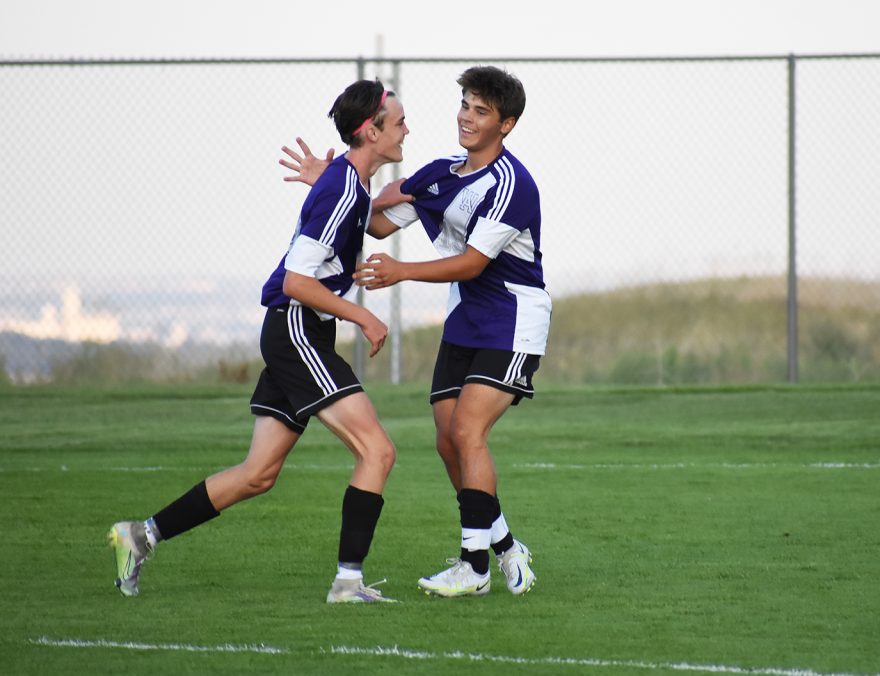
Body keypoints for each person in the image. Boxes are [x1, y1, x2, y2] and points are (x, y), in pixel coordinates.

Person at [108, 79, 410, 604]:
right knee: (378, 451)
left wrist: (332, 179)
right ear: (370, 130)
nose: (407, 129)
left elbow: (363, 221)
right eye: (399, 121)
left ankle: (141, 536)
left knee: (257, 475)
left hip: (295, 329)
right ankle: (347, 583)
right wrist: (363, 316)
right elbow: (296, 281)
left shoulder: (346, 183)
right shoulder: (342, 188)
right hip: (297, 327)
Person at [283, 66, 549, 598]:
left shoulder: (512, 185)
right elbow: (375, 220)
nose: (467, 117)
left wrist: (402, 272)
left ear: (507, 124)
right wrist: (335, 182)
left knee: (468, 432)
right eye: (465, 106)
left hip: (512, 322)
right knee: (449, 443)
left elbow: (473, 263)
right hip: (467, 320)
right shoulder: (440, 173)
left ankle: (473, 568)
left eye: (481, 111)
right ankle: (504, 547)